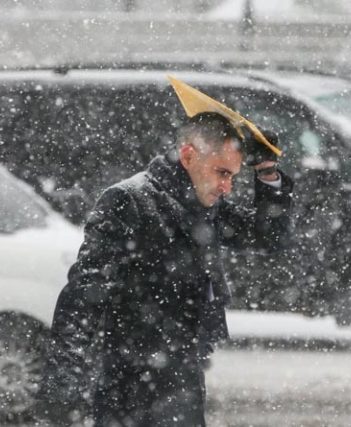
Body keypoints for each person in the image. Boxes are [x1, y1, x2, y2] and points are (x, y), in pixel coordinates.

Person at [38, 79, 294, 426]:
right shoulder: (129, 200)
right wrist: (64, 389)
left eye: (233, 176)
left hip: (182, 378)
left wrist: (267, 175)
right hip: (126, 385)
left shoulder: (207, 206)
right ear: (189, 156)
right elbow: (83, 296)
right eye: (222, 173)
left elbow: (268, 237)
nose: (227, 186)